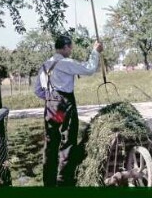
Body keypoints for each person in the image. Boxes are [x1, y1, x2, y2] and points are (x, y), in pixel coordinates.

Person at [34, 35, 103, 186]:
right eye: (70, 47)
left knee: (51, 143)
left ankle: (49, 182)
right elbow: (89, 69)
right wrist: (95, 52)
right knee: (67, 141)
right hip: (64, 105)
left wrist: (51, 98)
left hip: (52, 107)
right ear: (64, 47)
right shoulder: (65, 63)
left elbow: (37, 90)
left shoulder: (46, 64)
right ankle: (64, 181)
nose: (71, 50)